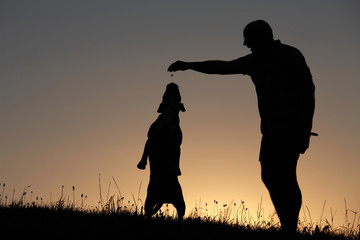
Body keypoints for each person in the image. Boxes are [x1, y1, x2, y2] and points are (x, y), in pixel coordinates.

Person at [167, 20, 316, 238]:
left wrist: (305, 127)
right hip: (271, 130)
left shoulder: (290, 55)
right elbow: (222, 67)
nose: (245, 43)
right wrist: (189, 65)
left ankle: (289, 229)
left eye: (248, 38)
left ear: (262, 36)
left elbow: (308, 90)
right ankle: (288, 226)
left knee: (285, 175)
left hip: (291, 128)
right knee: (270, 176)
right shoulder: (255, 61)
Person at [137, 83, 186, 220]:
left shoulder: (176, 129)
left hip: (170, 168)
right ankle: (148, 215)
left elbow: (177, 147)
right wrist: (143, 159)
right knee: (153, 193)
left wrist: (176, 165)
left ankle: (179, 221)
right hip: (157, 166)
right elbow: (149, 141)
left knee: (179, 203)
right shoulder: (156, 126)